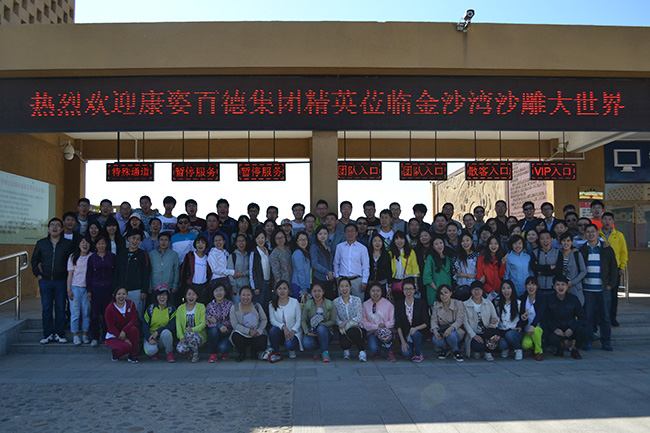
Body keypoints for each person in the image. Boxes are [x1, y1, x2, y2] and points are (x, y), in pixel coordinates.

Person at [32, 217, 72, 344]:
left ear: (61, 229)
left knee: (60, 308)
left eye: (57, 225)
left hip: (61, 281)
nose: (55, 227)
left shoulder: (67, 244)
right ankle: (48, 333)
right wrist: (38, 275)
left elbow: (72, 261)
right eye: (52, 225)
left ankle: (59, 333)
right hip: (45, 280)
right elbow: (34, 260)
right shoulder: (41, 243)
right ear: (48, 229)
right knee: (46, 308)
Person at [579, 223, 618, 351]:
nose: (591, 234)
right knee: (588, 316)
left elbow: (613, 268)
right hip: (587, 289)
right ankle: (588, 341)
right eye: (588, 232)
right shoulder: (582, 249)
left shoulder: (606, 249)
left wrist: (610, 284)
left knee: (605, 317)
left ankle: (606, 341)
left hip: (603, 288)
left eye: (593, 231)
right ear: (585, 234)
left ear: (597, 233)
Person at [542, 276, 587, 359]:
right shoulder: (549, 299)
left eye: (563, 285)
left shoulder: (574, 299)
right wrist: (555, 329)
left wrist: (572, 328)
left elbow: (582, 317)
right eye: (558, 285)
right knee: (551, 338)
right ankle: (560, 347)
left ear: (567, 286)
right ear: (554, 287)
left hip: (570, 327)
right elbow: (545, 317)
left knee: (584, 331)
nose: (560, 287)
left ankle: (575, 349)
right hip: (556, 329)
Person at [86, 235, 115, 347]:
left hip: (108, 288)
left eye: (103, 243)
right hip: (95, 289)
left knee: (107, 314)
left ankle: (106, 336)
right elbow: (89, 275)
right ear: (95, 245)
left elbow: (115, 273)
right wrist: (89, 290)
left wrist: (115, 289)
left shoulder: (112, 257)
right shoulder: (92, 258)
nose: (101, 246)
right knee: (95, 314)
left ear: (106, 244)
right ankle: (94, 336)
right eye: (99, 244)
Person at [113, 230, 150, 318]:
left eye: (138, 239)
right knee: (122, 316)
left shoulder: (143, 255)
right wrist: (114, 289)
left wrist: (144, 290)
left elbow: (146, 273)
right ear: (128, 239)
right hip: (121, 291)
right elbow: (116, 272)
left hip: (137, 290)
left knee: (136, 316)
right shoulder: (121, 254)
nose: (135, 241)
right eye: (133, 238)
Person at [599, 212, 627, 327]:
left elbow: (623, 252)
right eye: (605, 219)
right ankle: (601, 318)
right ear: (601, 221)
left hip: (615, 269)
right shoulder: (597, 234)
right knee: (601, 295)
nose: (607, 221)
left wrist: (622, 267)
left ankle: (612, 318)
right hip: (601, 269)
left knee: (613, 295)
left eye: (609, 219)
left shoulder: (619, 235)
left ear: (613, 221)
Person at [229, 286, 268, 362]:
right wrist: (248, 331)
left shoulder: (257, 306)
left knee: (262, 339)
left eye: (248, 295)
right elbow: (235, 325)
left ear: (252, 296)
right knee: (235, 336)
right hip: (242, 334)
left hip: (256, 333)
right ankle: (242, 353)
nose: (246, 297)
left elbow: (264, 319)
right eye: (243, 295)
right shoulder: (234, 307)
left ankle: (254, 352)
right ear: (239, 296)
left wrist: (259, 331)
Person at [394, 278, 429, 362]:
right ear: (402, 290)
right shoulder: (399, 304)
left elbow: (426, 322)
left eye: (410, 289)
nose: (408, 291)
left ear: (414, 290)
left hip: (418, 334)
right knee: (406, 353)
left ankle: (418, 354)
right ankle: (411, 348)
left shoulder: (421, 303)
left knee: (415, 333)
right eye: (406, 289)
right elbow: (398, 324)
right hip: (406, 336)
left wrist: (415, 328)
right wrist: (403, 342)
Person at [463, 281, 500, 361]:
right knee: (478, 347)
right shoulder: (465, 304)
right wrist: (474, 335)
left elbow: (496, 318)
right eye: (474, 289)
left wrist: (492, 324)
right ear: (471, 291)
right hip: (474, 332)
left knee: (495, 334)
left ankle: (488, 352)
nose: (477, 292)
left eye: (479, 289)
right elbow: (465, 322)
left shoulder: (488, 303)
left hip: (487, 332)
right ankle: (477, 350)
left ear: (482, 291)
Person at [301, 283, 337, 362]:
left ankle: (325, 352)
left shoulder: (330, 304)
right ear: (311, 292)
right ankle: (319, 348)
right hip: (312, 332)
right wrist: (307, 332)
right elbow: (303, 320)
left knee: (321, 329)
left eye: (319, 291)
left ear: (323, 292)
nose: (317, 293)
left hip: (326, 332)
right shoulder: (308, 304)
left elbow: (333, 321)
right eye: (314, 291)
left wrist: (323, 325)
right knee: (307, 344)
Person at [67, 237, 92, 345]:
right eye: (82, 242)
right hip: (75, 287)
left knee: (86, 313)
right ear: (78, 244)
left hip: (87, 288)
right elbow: (70, 274)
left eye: (87, 243)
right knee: (75, 313)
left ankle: (85, 335)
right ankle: (75, 335)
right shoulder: (73, 257)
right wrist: (68, 289)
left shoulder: (92, 256)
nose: (85, 245)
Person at [334, 277, 367, 361]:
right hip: (343, 329)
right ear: (338, 288)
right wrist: (341, 324)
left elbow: (359, 316)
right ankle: (347, 349)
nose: (344, 289)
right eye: (342, 286)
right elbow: (336, 318)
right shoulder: (335, 302)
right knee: (344, 344)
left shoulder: (357, 300)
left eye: (346, 286)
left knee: (352, 331)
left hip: (357, 327)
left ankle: (362, 350)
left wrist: (347, 322)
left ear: (350, 287)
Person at [333, 224, 370, 299]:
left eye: (352, 231)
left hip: (357, 281)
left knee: (358, 303)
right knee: (343, 302)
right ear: (345, 233)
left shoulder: (362, 248)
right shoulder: (340, 247)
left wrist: (364, 281)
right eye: (348, 231)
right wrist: (337, 277)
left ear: (356, 233)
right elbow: (336, 263)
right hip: (343, 280)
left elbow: (365, 266)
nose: (350, 233)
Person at [430, 284, 466, 362]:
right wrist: (435, 331)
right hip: (442, 330)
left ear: (450, 293)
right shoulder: (436, 305)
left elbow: (460, 320)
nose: (444, 296)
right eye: (441, 293)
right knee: (435, 339)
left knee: (451, 335)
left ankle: (455, 350)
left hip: (456, 330)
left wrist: (451, 328)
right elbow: (433, 320)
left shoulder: (458, 304)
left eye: (446, 292)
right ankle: (446, 349)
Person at [268, 280, 303, 359]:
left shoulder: (294, 302)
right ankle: (276, 353)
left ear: (288, 290)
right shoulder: (271, 304)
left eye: (284, 288)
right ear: (276, 290)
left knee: (289, 344)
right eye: (279, 289)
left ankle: (291, 349)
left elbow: (299, 319)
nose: (282, 291)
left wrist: (293, 331)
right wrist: (283, 327)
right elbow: (272, 320)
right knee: (273, 330)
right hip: (280, 331)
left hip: (293, 332)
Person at [362, 281, 396, 361]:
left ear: (381, 292)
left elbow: (392, 321)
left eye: (378, 291)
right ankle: (378, 350)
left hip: (386, 330)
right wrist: (376, 327)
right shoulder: (365, 304)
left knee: (385, 333)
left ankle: (389, 351)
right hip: (372, 332)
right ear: (369, 292)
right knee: (373, 348)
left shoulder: (388, 304)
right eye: (373, 291)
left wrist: (382, 327)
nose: (375, 293)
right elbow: (363, 322)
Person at [143, 284, 176, 363]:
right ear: (156, 296)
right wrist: (149, 338)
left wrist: (158, 331)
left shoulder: (171, 309)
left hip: (162, 337)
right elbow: (145, 325)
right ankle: (155, 351)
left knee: (167, 332)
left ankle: (169, 353)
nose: (162, 297)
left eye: (164, 295)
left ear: (168, 296)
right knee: (150, 351)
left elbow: (171, 325)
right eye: (159, 295)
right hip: (151, 336)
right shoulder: (150, 308)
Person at [104, 287, 139, 363]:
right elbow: (110, 327)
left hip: (126, 331)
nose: (121, 296)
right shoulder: (110, 308)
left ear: (127, 295)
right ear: (114, 295)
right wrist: (122, 338)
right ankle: (116, 354)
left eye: (123, 294)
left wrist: (124, 331)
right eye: (119, 294)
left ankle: (133, 355)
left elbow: (134, 319)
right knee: (127, 347)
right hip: (114, 335)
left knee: (134, 330)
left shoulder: (131, 304)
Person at [494, 280, 524, 360]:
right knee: (501, 344)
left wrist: (520, 326)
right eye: (503, 288)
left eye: (508, 288)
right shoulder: (496, 302)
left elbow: (522, 318)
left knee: (509, 335)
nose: (506, 291)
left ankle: (518, 349)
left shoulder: (518, 303)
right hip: (501, 331)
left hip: (514, 331)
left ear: (512, 289)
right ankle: (506, 348)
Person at [208, 232, 242, 303]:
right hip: (217, 280)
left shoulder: (226, 252)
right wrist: (232, 272)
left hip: (226, 280)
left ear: (224, 241)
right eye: (216, 241)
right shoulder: (212, 253)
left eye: (220, 240)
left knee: (227, 302)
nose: (218, 242)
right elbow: (215, 269)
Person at [176, 286, 207, 362]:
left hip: (198, 335)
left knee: (190, 335)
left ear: (197, 296)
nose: (191, 297)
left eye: (193, 294)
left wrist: (192, 330)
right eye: (189, 294)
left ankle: (195, 354)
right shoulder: (180, 308)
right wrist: (181, 336)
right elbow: (178, 325)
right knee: (180, 349)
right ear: (185, 296)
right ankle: (190, 352)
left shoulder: (201, 307)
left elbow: (203, 323)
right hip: (185, 336)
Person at [149, 231, 180, 306]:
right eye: (161, 240)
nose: (163, 242)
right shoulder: (151, 254)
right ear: (158, 241)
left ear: (169, 242)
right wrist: (149, 285)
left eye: (166, 240)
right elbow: (149, 271)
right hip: (155, 286)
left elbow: (176, 270)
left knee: (169, 307)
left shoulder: (174, 254)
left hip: (169, 286)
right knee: (155, 307)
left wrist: (175, 285)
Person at [388, 231, 420, 304]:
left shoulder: (411, 252)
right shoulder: (390, 253)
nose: (399, 241)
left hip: (408, 280)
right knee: (398, 303)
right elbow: (389, 270)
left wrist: (415, 284)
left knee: (409, 302)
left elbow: (415, 267)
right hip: (396, 281)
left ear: (405, 240)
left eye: (401, 238)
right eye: (397, 239)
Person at [205, 283, 234, 362]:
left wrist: (224, 325)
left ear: (225, 292)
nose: (219, 293)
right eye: (216, 291)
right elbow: (209, 321)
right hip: (215, 332)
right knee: (213, 331)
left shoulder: (230, 304)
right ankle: (213, 354)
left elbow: (233, 320)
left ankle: (224, 351)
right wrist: (219, 325)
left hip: (227, 332)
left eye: (221, 290)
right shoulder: (210, 306)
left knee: (223, 347)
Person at [180, 236, 212, 306]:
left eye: (203, 243)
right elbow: (183, 271)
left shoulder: (207, 257)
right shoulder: (190, 256)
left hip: (203, 287)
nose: (200, 245)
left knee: (202, 306)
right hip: (192, 285)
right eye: (198, 243)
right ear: (195, 245)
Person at [520, 276, 545, 361]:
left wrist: (533, 325)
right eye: (529, 284)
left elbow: (541, 314)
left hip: (539, 328)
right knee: (525, 344)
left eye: (533, 285)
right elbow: (521, 315)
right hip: (527, 330)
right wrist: (523, 317)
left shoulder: (541, 298)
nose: (531, 287)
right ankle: (533, 347)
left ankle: (538, 352)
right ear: (525, 286)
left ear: (537, 286)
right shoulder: (523, 298)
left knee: (536, 330)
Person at [558, 232, 587, 306]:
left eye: (568, 241)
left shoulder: (577, 254)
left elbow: (583, 271)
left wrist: (573, 282)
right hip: (561, 288)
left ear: (572, 242)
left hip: (575, 287)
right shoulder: (557, 253)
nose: (566, 243)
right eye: (564, 241)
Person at [423, 237, 452, 306]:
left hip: (447, 291)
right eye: (436, 244)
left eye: (441, 243)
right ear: (433, 247)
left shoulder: (448, 257)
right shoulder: (430, 258)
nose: (439, 246)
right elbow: (427, 275)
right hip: (435, 291)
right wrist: (436, 288)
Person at [530, 230, 561, 295]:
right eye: (542, 239)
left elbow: (558, 270)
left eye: (547, 238)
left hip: (553, 287)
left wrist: (542, 272)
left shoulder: (557, 252)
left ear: (551, 239)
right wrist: (549, 267)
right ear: (539, 240)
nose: (545, 241)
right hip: (539, 287)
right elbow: (534, 267)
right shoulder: (535, 252)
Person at [249, 229, 272, 314]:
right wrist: (255, 287)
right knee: (259, 308)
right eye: (258, 238)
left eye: (262, 238)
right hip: (259, 285)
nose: (260, 240)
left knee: (267, 307)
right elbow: (251, 271)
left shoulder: (268, 251)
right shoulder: (254, 253)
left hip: (268, 284)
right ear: (255, 239)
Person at [476, 236, 506, 300]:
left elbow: (501, 276)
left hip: (499, 291)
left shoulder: (501, 258)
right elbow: (480, 278)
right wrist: (490, 290)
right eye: (491, 243)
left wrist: (503, 264)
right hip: (486, 292)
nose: (493, 246)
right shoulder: (481, 259)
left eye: (495, 243)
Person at [311, 225, 336, 300]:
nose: (323, 236)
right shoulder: (314, 247)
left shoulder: (329, 247)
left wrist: (332, 274)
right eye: (320, 234)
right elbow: (314, 264)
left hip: (329, 279)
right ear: (316, 235)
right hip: (319, 278)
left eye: (325, 234)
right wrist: (327, 272)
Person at [227, 233, 251, 303]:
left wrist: (242, 274)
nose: (241, 243)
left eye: (243, 240)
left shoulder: (249, 255)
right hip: (236, 289)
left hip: (247, 287)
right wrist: (233, 287)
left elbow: (252, 271)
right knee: (237, 307)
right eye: (238, 241)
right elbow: (230, 273)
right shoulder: (232, 256)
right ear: (235, 243)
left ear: (246, 242)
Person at [291, 232, 311, 300]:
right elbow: (300, 271)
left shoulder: (306, 252)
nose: (303, 242)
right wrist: (304, 288)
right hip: (299, 285)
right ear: (297, 242)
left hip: (306, 285)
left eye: (305, 239)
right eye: (301, 240)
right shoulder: (298, 253)